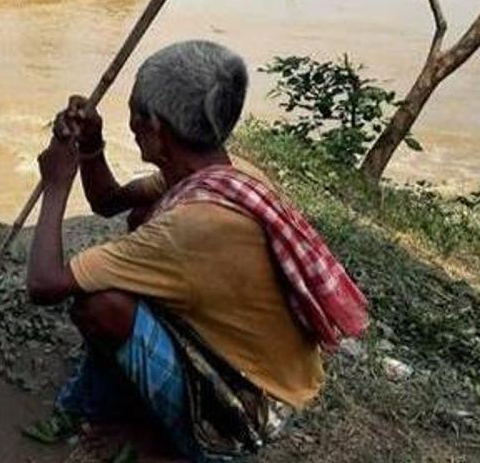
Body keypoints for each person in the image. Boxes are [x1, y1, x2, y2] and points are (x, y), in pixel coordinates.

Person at [23, 40, 368, 461]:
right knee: (140, 218)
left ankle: (168, 443)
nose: (130, 123)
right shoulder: (223, 173)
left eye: (134, 115)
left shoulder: (191, 226)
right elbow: (109, 201)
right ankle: (123, 407)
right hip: (268, 373)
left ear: (154, 128)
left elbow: (44, 284)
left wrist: (57, 182)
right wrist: (92, 147)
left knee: (98, 303)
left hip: (248, 409)